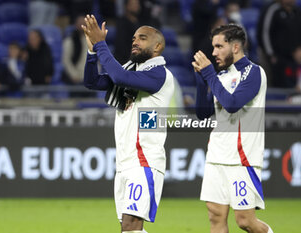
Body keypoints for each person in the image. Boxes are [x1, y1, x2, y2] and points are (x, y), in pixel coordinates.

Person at [82, 15, 174, 233]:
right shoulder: (131, 70)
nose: (135, 41)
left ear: (157, 46)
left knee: (131, 226)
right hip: (125, 162)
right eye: (134, 38)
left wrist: (101, 44)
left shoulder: (159, 74)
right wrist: (92, 52)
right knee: (128, 228)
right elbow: (92, 81)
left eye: (142, 38)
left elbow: (119, 77)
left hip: (144, 160)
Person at [192, 24, 273, 233]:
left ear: (235, 47)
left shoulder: (253, 72)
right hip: (217, 155)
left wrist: (209, 74)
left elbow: (233, 103)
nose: (214, 52)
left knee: (245, 221)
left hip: (242, 157)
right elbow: (203, 113)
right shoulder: (221, 76)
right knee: (215, 216)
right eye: (213, 47)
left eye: (219, 46)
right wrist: (201, 82)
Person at [62, 16, 88, 85]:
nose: (82, 26)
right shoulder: (69, 41)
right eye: (80, 23)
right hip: (75, 77)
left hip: (89, 77)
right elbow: (66, 60)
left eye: (84, 23)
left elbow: (98, 61)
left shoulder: (93, 41)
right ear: (76, 25)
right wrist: (73, 75)